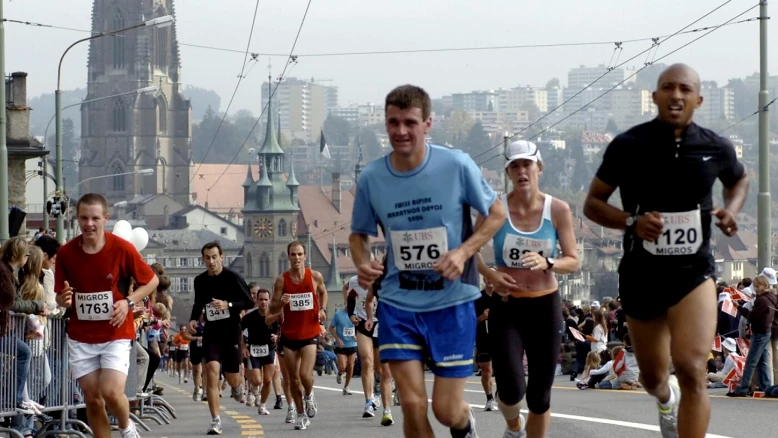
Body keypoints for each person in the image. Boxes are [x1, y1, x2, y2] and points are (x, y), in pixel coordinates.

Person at [583, 63, 748, 438]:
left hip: (694, 273)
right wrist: (631, 221)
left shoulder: (715, 146)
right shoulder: (628, 145)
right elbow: (592, 204)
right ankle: (664, 398)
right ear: (655, 96)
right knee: (654, 376)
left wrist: (732, 210)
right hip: (642, 274)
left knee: (692, 370)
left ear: (698, 100)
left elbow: (739, 180)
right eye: (668, 87)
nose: (676, 95)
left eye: (685, 89)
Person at [349, 84, 506, 438]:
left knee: (445, 410)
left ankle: (464, 423)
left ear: (427, 123)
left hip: (452, 302)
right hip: (398, 303)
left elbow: (496, 213)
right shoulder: (372, 178)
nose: (401, 131)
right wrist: (362, 261)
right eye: (393, 122)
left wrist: (463, 252)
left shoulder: (456, 165)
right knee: (412, 404)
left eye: (410, 122)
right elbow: (358, 235)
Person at [476, 139, 579, 437]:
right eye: (515, 166)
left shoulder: (557, 209)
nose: (522, 171)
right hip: (506, 307)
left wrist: (548, 262)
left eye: (527, 165)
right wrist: (490, 274)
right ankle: (513, 427)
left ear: (539, 168)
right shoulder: (494, 209)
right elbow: (468, 251)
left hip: (545, 306)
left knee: (539, 397)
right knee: (511, 390)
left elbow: (573, 261)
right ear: (508, 172)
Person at [55, 193, 159, 438]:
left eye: (95, 218)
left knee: (111, 392)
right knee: (92, 399)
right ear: (77, 218)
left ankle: (126, 427)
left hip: (115, 331)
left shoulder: (122, 248)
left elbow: (152, 280)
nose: (89, 224)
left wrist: (128, 302)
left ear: (105, 218)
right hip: (81, 336)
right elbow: (60, 295)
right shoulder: (66, 253)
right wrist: (63, 299)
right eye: (84, 218)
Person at [188, 241, 253, 435]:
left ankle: (236, 385)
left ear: (221, 257)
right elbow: (198, 303)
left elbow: (248, 301)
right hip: (212, 332)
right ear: (203, 259)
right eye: (207, 258)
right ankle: (215, 420)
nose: (211, 261)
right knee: (211, 370)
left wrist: (228, 305)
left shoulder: (233, 277)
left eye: (214, 257)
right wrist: (192, 319)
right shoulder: (200, 281)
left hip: (231, 331)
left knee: (232, 378)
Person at [269, 241, 328, 431]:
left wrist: (322, 310)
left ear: (305, 256)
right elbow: (272, 307)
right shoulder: (282, 280)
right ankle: (301, 415)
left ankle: (309, 395)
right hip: (289, 335)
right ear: (288, 257)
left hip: (310, 332)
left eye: (300, 254)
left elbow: (323, 292)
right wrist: (282, 302)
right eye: (293, 254)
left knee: (304, 375)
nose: (296, 258)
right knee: (293, 378)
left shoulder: (315, 276)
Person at [345, 274, 392, 422]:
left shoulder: (386, 279)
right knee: (366, 361)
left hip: (382, 324)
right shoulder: (354, 281)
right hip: (363, 323)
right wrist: (351, 315)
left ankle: (380, 392)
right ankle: (368, 403)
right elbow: (350, 296)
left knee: (380, 369)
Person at [241, 288, 281, 415]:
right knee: (257, 381)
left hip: (269, 349)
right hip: (254, 351)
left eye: (266, 299)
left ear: (269, 301)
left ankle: (262, 405)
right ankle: (253, 388)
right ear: (257, 301)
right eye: (261, 299)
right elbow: (240, 332)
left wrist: (277, 337)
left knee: (268, 380)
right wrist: (243, 347)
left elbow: (282, 330)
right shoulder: (249, 317)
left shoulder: (274, 316)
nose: (263, 302)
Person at [473, 275, 496, 412]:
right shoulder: (478, 298)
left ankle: (500, 393)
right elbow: (471, 321)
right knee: (486, 371)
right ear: (484, 280)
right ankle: (489, 398)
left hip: (501, 338)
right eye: (488, 277)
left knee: (504, 370)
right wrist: (483, 317)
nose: (490, 279)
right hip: (483, 338)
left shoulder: (503, 296)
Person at [328, 307, 357, 396]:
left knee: (351, 366)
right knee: (342, 367)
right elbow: (331, 328)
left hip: (352, 344)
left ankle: (346, 387)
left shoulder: (357, 313)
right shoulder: (338, 314)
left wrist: (356, 335)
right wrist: (337, 338)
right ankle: (340, 373)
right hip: (341, 345)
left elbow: (360, 326)